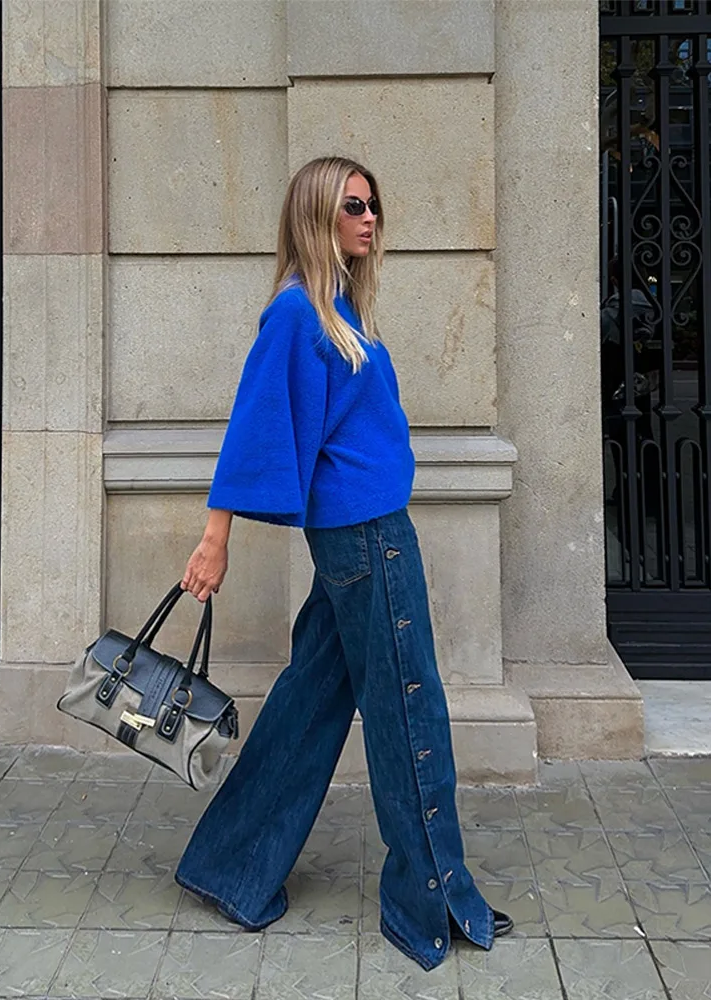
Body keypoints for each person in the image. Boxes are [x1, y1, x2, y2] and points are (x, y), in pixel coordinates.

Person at [176, 156, 513, 971]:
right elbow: (255, 425)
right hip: (367, 538)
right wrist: (215, 538)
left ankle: (231, 866)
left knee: (310, 701)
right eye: (353, 206)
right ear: (317, 216)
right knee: (409, 707)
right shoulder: (298, 314)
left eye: (374, 207)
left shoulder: (339, 311)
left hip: (362, 533)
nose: (370, 219)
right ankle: (428, 897)